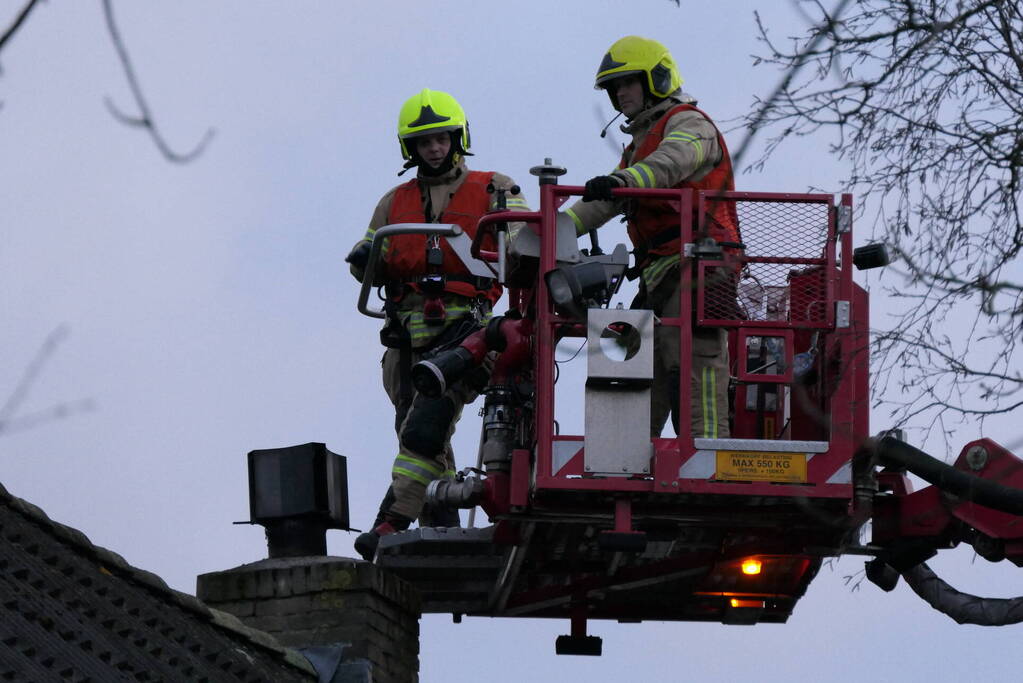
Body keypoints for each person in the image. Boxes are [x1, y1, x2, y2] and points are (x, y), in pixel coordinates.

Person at [346, 88, 528, 561]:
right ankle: (441, 523)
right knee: (420, 434)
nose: (434, 149)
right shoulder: (392, 202)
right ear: (410, 148)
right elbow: (369, 259)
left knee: (426, 425)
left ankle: (390, 521)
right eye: (424, 142)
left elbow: (526, 241)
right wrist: (365, 258)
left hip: (467, 332)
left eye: (442, 139)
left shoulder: (496, 188)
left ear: (458, 138)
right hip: (405, 339)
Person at [562, 35, 741, 440]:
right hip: (661, 270)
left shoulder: (689, 123)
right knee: (645, 364)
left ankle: (706, 458)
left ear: (656, 79)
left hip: (700, 264)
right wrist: (553, 229)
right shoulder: (638, 145)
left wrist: (620, 181)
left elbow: (671, 164)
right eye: (613, 87)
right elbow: (605, 203)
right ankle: (631, 460)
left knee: (694, 362)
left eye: (627, 82)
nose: (619, 93)